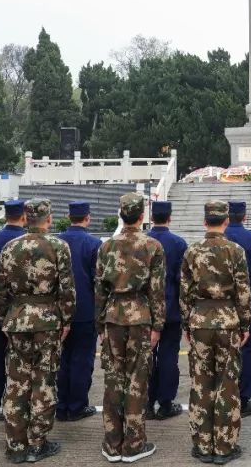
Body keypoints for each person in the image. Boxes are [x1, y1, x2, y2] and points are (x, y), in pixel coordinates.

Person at [0, 198, 77, 464]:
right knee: (44, 381)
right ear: (48, 218)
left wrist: (6, 319)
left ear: (25, 218)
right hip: (48, 321)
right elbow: (67, 289)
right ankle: (37, 442)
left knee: (17, 382)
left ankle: (15, 444)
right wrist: (66, 321)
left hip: (17, 320)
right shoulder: (58, 246)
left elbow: (0, 291)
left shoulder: (10, 247)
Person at [95, 192, 166, 464]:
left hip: (113, 316)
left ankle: (113, 443)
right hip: (140, 315)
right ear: (141, 215)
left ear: (120, 213)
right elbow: (156, 291)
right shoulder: (152, 246)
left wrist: (99, 323)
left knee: (113, 377)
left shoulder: (106, 247)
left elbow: (99, 290)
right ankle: (134, 443)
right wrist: (157, 324)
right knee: (137, 379)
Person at [180, 200, 251, 465]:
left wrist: (187, 324)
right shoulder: (235, 251)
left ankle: (202, 444)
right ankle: (224, 446)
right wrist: (245, 325)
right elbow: (244, 293)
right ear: (226, 222)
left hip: (200, 320)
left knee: (201, 383)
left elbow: (184, 293)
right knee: (227, 383)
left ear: (204, 221)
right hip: (228, 321)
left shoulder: (192, 251)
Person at [0, 200, 30, 421]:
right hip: (23, 312)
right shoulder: (29, 242)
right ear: (24, 217)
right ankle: (19, 405)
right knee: (23, 360)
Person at [55, 200, 102, 422]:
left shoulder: (56, 242)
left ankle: (61, 404)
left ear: (68, 217)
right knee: (82, 360)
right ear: (88, 217)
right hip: (85, 310)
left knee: (62, 359)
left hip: (59, 311)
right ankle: (77, 406)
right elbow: (98, 281)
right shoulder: (94, 244)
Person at [223, 200, 251, 417]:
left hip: (220, 307)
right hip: (246, 305)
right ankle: (243, 397)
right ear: (245, 216)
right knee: (245, 351)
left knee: (221, 352)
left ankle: (223, 395)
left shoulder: (217, 240)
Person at [146, 200, 187, 420]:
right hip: (171, 309)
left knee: (146, 357)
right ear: (169, 217)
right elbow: (183, 279)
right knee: (169, 356)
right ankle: (165, 403)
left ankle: (146, 401)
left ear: (152, 217)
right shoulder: (178, 243)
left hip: (145, 310)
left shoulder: (143, 242)